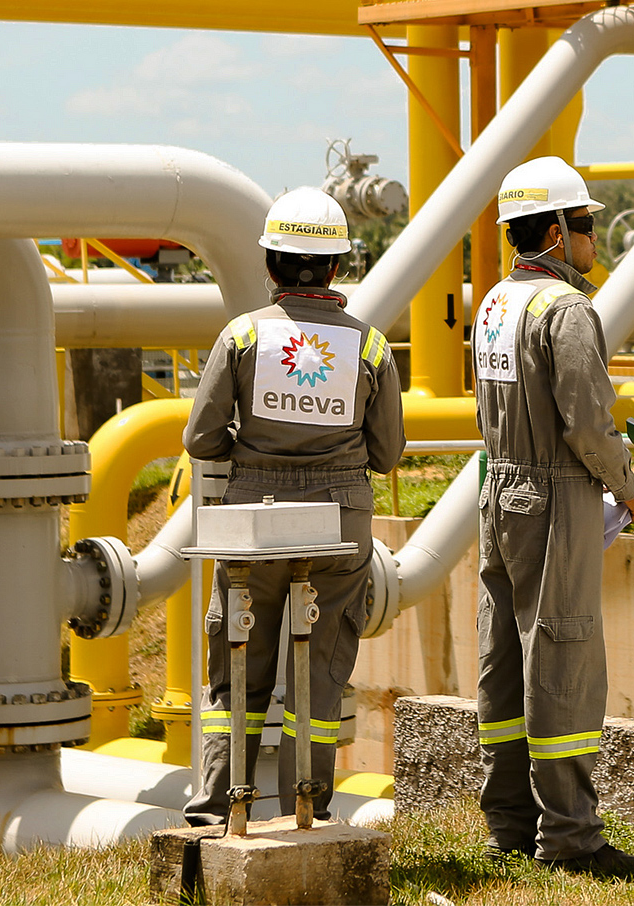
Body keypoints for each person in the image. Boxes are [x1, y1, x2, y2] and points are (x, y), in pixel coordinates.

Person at [182, 187, 404, 825]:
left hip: (253, 519)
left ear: (273, 265)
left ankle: (217, 815)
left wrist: (253, 453)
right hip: (339, 525)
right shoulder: (370, 346)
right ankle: (307, 813)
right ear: (336, 267)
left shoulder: (242, 335)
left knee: (237, 676)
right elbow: (386, 453)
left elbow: (199, 438)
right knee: (319, 674)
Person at [471, 155, 634, 876]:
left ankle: (509, 824)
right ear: (550, 231)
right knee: (563, 656)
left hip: (500, 492)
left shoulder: (493, 303)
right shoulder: (568, 310)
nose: (592, 239)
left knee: (505, 659)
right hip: (553, 494)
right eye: (583, 225)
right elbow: (587, 422)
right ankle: (571, 838)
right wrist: (626, 482)